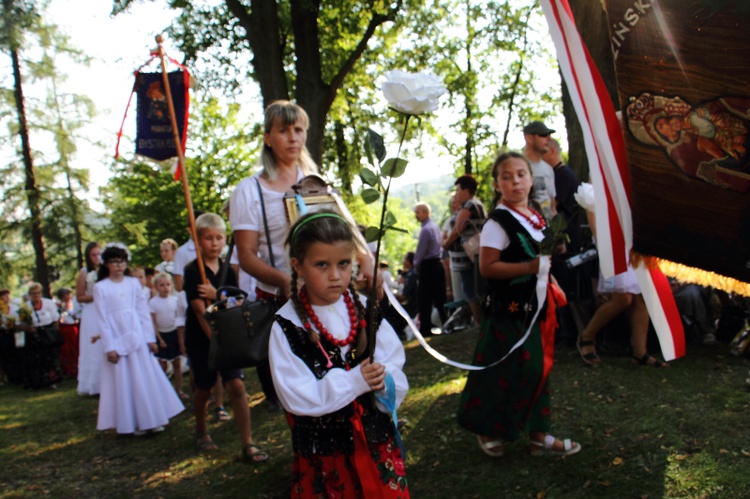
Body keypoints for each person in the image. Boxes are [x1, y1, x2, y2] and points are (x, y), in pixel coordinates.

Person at [269, 211, 409, 497]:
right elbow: (294, 393)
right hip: (325, 455)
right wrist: (355, 381)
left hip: (375, 443)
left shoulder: (364, 310)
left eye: (343, 264)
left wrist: (384, 379)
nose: (335, 275)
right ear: (298, 266)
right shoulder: (287, 325)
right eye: (321, 264)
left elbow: (394, 360)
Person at [456, 151, 581, 458]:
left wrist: (550, 268)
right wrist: (529, 268)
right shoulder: (498, 222)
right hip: (508, 311)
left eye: (521, 174)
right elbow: (487, 268)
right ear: (497, 185)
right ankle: (486, 427)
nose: (515, 182)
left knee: (539, 368)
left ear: (530, 178)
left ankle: (539, 436)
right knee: (503, 369)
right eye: (507, 177)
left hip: (537, 307)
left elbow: (545, 257)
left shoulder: (535, 214)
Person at [229, 100, 323, 412]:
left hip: (325, 295)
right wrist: (285, 281)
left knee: (334, 377)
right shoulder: (249, 190)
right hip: (280, 302)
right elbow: (246, 255)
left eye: (299, 130)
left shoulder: (316, 182)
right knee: (299, 389)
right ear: (268, 137)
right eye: (284, 131)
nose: (293, 137)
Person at [183, 212, 267, 462]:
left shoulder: (229, 271)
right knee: (205, 389)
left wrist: (217, 294)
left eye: (219, 238)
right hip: (201, 338)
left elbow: (236, 300)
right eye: (209, 238)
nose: (214, 243)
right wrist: (214, 340)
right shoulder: (192, 270)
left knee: (237, 386)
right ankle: (201, 428)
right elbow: (199, 310)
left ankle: (248, 442)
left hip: (227, 335)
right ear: (199, 240)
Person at [93, 243, 184, 435]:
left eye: (121, 262)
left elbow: (142, 311)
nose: (118, 266)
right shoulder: (101, 287)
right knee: (125, 380)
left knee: (144, 378)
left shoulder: (133, 283)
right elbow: (102, 318)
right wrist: (110, 346)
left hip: (137, 335)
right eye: (113, 262)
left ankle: (153, 418)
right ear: (106, 264)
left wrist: (150, 338)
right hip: (116, 335)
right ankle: (131, 422)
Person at [575, 204, 670, 367]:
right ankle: (587, 336)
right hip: (614, 240)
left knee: (641, 296)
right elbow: (591, 202)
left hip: (637, 236)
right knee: (623, 298)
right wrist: (600, 239)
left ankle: (640, 352)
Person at [442, 175, 487, 326]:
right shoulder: (474, 204)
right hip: (467, 257)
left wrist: (446, 244)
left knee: (471, 290)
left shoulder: (470, 205)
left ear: (466, 190)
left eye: (459, 189)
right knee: (471, 289)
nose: (457, 193)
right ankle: (479, 322)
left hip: (468, 257)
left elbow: (457, 229)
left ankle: (479, 323)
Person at [149, 273, 188, 400]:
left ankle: (179, 390)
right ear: (156, 287)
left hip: (174, 333)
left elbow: (179, 319)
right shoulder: (153, 302)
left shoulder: (175, 300)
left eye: (167, 284)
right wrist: (159, 339)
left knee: (177, 364)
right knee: (163, 366)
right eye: (161, 285)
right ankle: (163, 391)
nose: (165, 288)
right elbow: (153, 323)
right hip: (161, 335)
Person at [21, 282, 64, 390]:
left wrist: (55, 332)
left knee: (50, 358)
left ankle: (52, 380)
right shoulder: (26, 307)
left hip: (47, 332)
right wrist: (27, 328)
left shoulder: (48, 303)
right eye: (33, 293)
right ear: (30, 294)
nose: (36, 295)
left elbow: (56, 319)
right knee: (35, 359)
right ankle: (37, 382)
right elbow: (21, 322)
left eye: (38, 293)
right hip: (34, 334)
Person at [414, 202, 447, 336]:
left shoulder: (426, 229)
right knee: (440, 297)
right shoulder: (435, 227)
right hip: (437, 264)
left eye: (418, 212)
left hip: (428, 265)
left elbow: (420, 251)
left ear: (426, 212)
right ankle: (446, 323)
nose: (416, 216)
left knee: (425, 299)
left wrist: (416, 266)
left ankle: (425, 329)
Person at [77, 242, 103, 396]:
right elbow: (79, 296)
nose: (96, 257)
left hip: (104, 310)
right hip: (91, 311)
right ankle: (93, 384)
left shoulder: (106, 270)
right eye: (93, 255)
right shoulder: (84, 272)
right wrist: (96, 296)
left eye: (98, 254)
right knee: (93, 346)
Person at [522, 120, 557, 220]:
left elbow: (552, 207)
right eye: (543, 135)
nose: (549, 139)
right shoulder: (519, 167)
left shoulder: (549, 169)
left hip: (545, 229)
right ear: (529, 138)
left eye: (549, 135)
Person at [56, 287, 81, 378]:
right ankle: (69, 369)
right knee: (67, 350)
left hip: (74, 328)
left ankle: (77, 368)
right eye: (66, 295)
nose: (68, 296)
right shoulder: (59, 307)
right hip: (65, 330)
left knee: (76, 349)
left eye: (69, 294)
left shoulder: (75, 304)